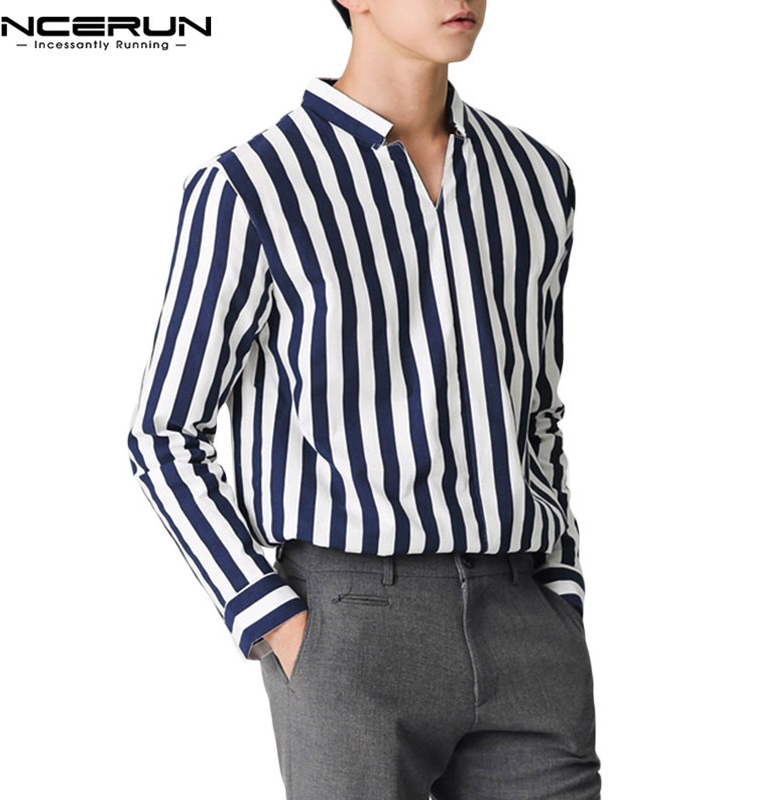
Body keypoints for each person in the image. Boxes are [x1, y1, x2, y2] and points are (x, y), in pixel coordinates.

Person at [126, 0, 602, 797]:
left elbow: (538, 410)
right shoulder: (252, 186)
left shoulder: (536, 178)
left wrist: (559, 586)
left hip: (526, 622)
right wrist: (273, 619)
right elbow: (164, 434)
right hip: (351, 621)